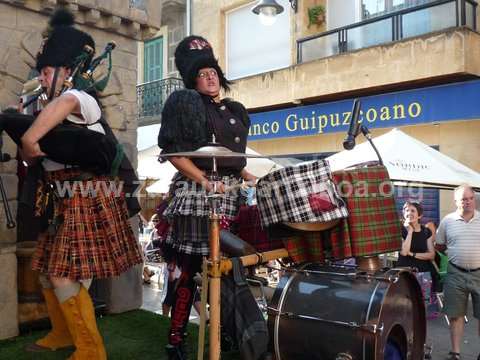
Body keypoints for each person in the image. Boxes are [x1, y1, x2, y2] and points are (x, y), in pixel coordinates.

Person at [20, 9, 143, 359]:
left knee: (63, 276)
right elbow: (35, 157)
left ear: (67, 70)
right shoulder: (47, 107)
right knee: (49, 273)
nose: (42, 79)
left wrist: (29, 133)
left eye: (46, 72)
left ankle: (91, 349)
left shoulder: (81, 99)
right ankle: (62, 333)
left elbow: (67, 103)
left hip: (84, 198)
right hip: (60, 199)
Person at [157, 35, 256, 359]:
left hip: (229, 194)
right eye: (202, 73)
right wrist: (203, 180)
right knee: (190, 269)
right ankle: (175, 340)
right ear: (192, 79)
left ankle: (224, 330)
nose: (210, 76)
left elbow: (230, 158)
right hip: (196, 192)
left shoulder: (233, 109)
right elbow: (173, 152)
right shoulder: (184, 102)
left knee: (224, 268)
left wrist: (250, 176)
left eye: (213, 70)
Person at [436, 184, 480, 360]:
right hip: (456, 273)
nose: (468, 202)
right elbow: (439, 244)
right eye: (464, 199)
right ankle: (455, 353)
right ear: (456, 201)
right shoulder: (447, 221)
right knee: (455, 315)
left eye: (471, 198)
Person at [397, 201, 437, 317]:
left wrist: (413, 254)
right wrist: (409, 232)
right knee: (405, 304)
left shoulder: (426, 231)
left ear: (419, 215)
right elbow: (404, 252)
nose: (409, 213)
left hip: (423, 273)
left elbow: (431, 255)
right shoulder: (400, 229)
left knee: (423, 306)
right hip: (405, 272)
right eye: (406, 210)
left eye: (413, 210)